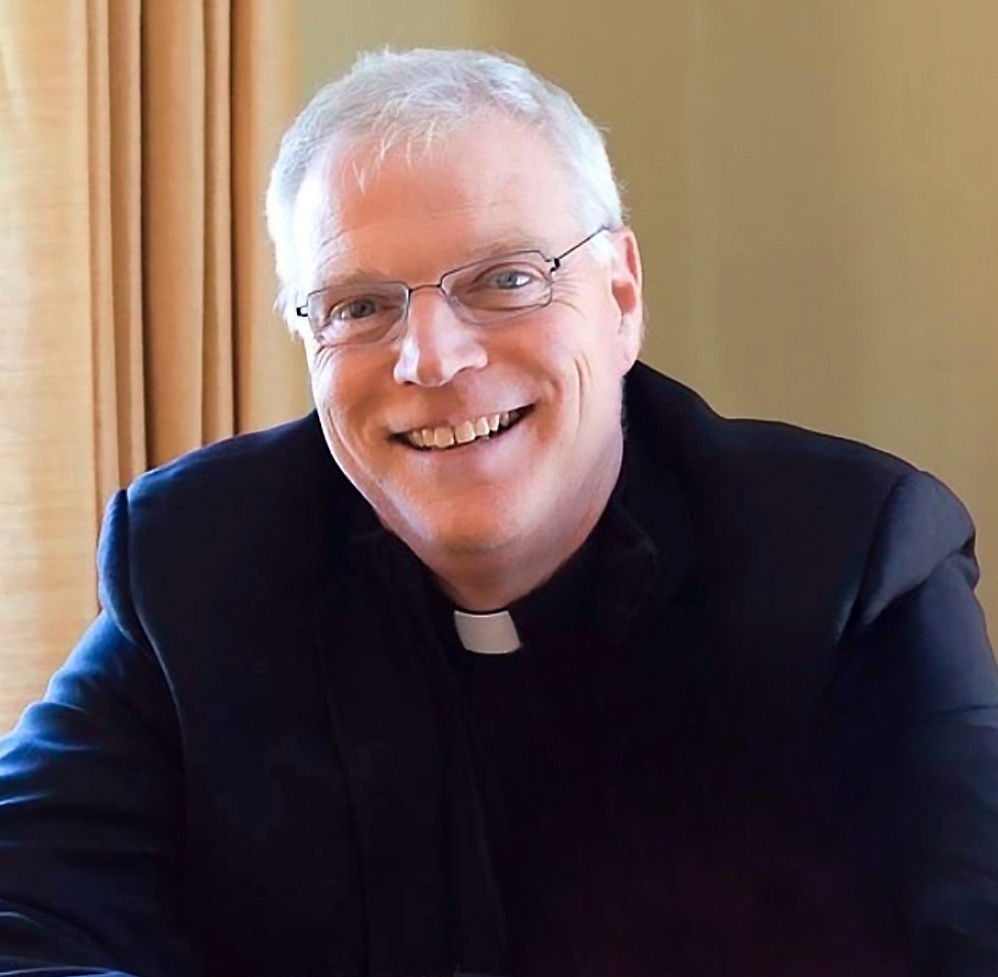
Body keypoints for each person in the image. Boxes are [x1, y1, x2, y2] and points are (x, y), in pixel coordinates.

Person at [1, 48, 996, 977]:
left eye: (504, 280)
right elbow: (24, 914)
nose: (430, 358)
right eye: (358, 305)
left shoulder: (851, 560)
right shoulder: (194, 557)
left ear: (619, 293)